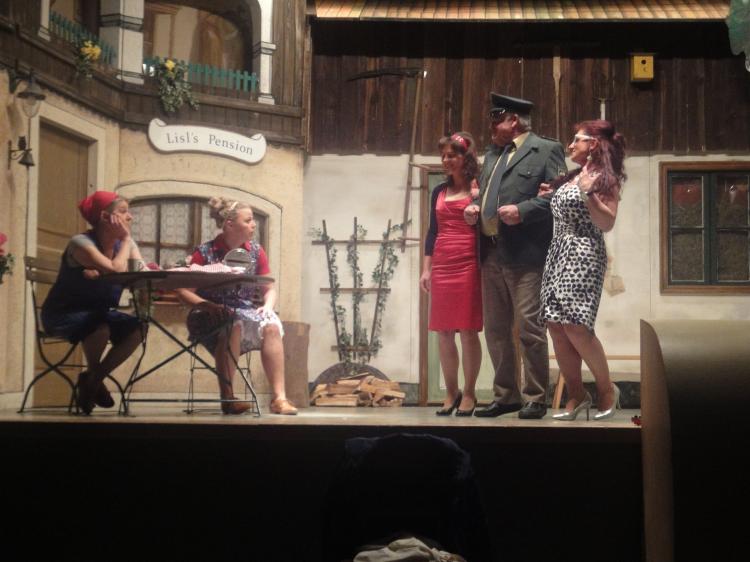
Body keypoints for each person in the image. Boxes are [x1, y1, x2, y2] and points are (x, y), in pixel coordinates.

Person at [464, 93, 567, 420]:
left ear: (513, 120)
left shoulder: (546, 150)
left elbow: (560, 196)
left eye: (496, 119)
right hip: (490, 251)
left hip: (526, 254)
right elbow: (487, 194)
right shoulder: (494, 155)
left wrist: (523, 210)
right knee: (496, 330)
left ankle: (535, 396)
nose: (491, 126)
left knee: (529, 329)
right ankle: (506, 396)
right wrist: (475, 208)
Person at [175, 197, 297, 415]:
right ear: (230, 224)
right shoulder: (205, 252)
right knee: (233, 324)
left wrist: (268, 306)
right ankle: (228, 397)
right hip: (209, 313)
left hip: (244, 310)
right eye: (248, 220)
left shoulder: (256, 251)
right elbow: (183, 291)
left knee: (271, 325)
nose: (253, 225)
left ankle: (279, 398)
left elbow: (269, 288)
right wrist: (209, 306)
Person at [538, 120, 626, 420]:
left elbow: (607, 223)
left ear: (594, 144)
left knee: (576, 325)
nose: (570, 145)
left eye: (577, 139)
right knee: (555, 324)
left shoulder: (605, 178)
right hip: (557, 251)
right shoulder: (573, 176)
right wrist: (552, 195)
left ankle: (606, 390)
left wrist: (589, 195)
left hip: (584, 252)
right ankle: (577, 395)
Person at [42, 191, 145, 415]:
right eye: (123, 212)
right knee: (100, 328)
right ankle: (94, 382)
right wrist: (126, 240)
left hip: (99, 313)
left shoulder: (125, 244)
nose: (130, 217)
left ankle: (92, 379)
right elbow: (116, 270)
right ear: (105, 217)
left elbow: (141, 272)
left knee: (138, 329)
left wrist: (128, 249)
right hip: (63, 314)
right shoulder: (81, 243)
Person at [420, 132, 483, 417]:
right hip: (443, 263)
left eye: (452, 155)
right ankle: (451, 391)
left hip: (469, 262)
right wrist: (427, 269)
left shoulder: (478, 186)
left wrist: (478, 208)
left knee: (468, 330)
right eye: (443, 156)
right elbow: (432, 232)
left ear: (465, 158)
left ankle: (469, 392)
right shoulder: (438, 192)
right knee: (443, 332)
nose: (446, 160)